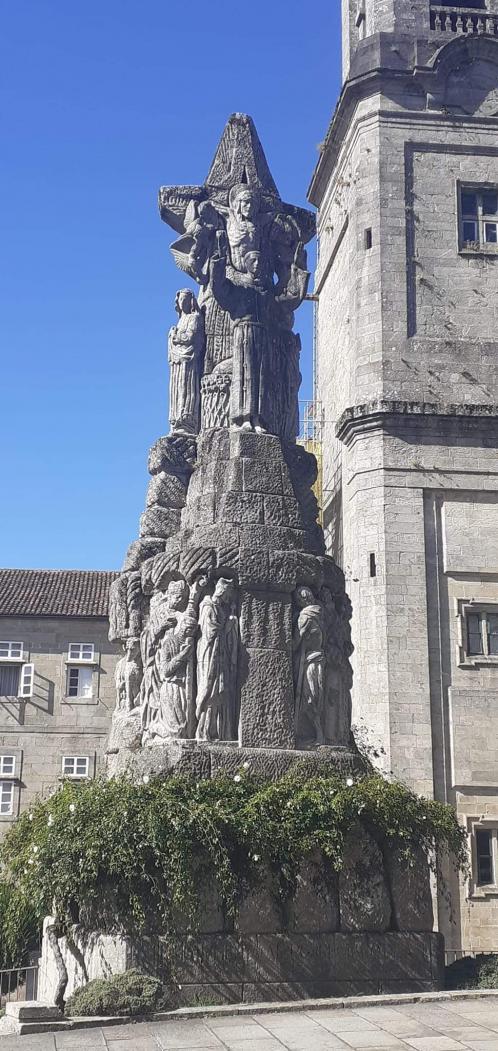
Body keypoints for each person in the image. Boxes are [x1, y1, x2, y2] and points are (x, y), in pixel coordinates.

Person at [196, 579, 238, 741]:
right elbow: (210, 632)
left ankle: (219, 731)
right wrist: (228, 625)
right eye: (228, 594)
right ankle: (205, 730)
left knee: (221, 689)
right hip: (209, 652)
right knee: (210, 689)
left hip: (220, 653)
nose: (229, 598)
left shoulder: (218, 608)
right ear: (222, 592)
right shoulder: (208, 606)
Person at [168, 289, 204, 435]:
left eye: (185, 299)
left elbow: (190, 337)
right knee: (176, 389)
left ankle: (187, 422)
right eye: (180, 300)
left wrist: (175, 336)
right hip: (177, 361)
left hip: (188, 360)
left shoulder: (194, 318)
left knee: (187, 388)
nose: (183, 302)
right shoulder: (180, 321)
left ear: (191, 301)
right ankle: (176, 422)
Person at [293, 586, 325, 745]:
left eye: (298, 600)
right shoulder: (319, 613)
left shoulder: (305, 616)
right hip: (318, 659)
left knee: (309, 698)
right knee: (313, 696)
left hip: (309, 661)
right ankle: (316, 734)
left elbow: (295, 643)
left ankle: (318, 735)